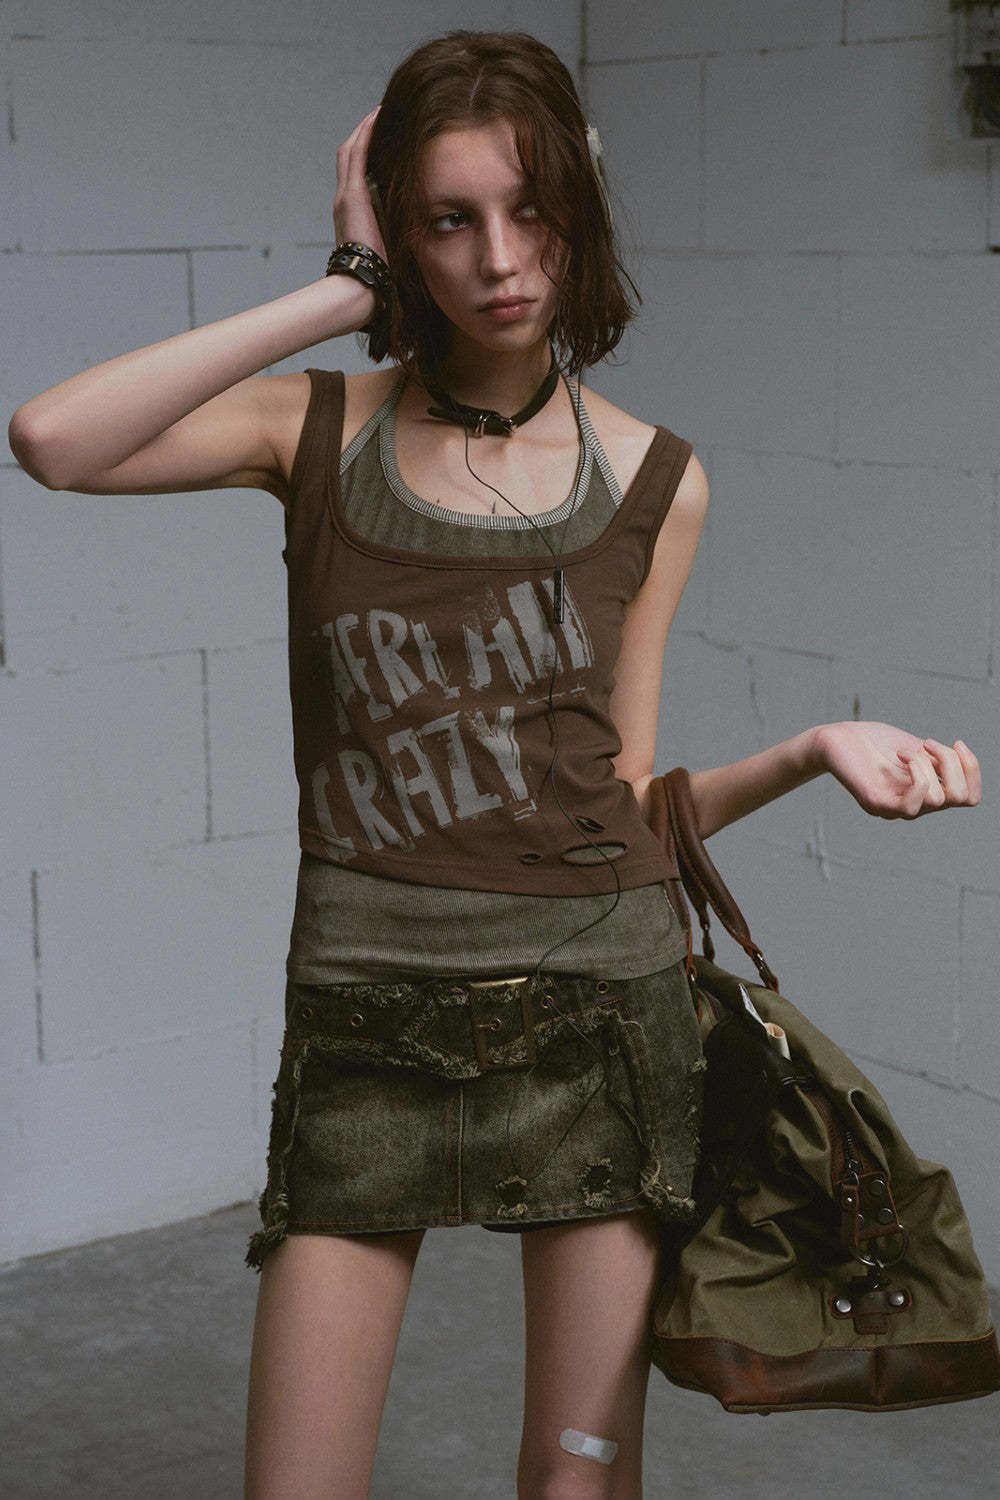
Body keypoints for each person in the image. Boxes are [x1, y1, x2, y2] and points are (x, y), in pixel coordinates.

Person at [8, 29, 981, 1500]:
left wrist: (806, 751)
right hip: (365, 1020)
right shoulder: (317, 428)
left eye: (531, 210)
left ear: (579, 207)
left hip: (599, 1021)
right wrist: (345, 293)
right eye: (449, 220)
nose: (501, 259)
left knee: (576, 1482)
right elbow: (53, 439)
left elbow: (624, 806)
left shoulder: (655, 478)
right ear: (402, 232)